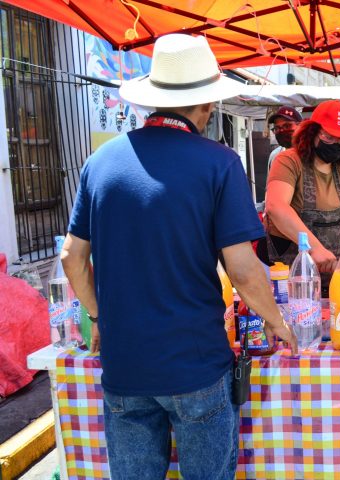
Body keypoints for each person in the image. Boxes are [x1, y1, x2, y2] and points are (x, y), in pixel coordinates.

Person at [59, 34, 297, 480]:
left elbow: (72, 256)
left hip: (125, 366)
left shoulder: (100, 162)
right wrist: (276, 320)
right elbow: (243, 270)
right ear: (207, 105)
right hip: (195, 365)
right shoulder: (219, 163)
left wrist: (97, 316)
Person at [260, 100, 340, 293]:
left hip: (331, 278)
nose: (335, 144)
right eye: (328, 137)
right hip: (290, 280)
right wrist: (314, 248)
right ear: (312, 132)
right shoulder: (288, 161)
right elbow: (276, 207)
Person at [266, 106, 303, 183]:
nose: (282, 130)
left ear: (301, 126)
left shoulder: (313, 154)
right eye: (277, 128)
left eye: (287, 126)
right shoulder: (275, 156)